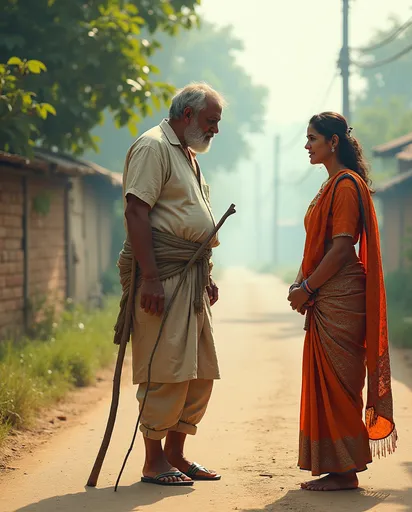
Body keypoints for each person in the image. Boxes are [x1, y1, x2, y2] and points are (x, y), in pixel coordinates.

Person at [116, 82, 226, 486]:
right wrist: (151, 277)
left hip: (192, 278)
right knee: (165, 369)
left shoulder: (188, 154)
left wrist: (207, 274)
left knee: (199, 373)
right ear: (187, 116)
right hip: (163, 276)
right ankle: (152, 462)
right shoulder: (153, 147)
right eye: (211, 121)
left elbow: (190, 220)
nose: (215, 129)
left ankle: (176, 454)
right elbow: (136, 213)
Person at [287, 112, 397, 492]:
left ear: (333, 142)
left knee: (340, 382)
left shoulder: (346, 186)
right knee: (329, 380)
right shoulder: (330, 186)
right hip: (327, 292)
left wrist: (308, 289)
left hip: (341, 296)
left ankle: (346, 471)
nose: (307, 146)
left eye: (313, 138)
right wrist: (301, 281)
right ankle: (336, 467)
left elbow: (342, 248)